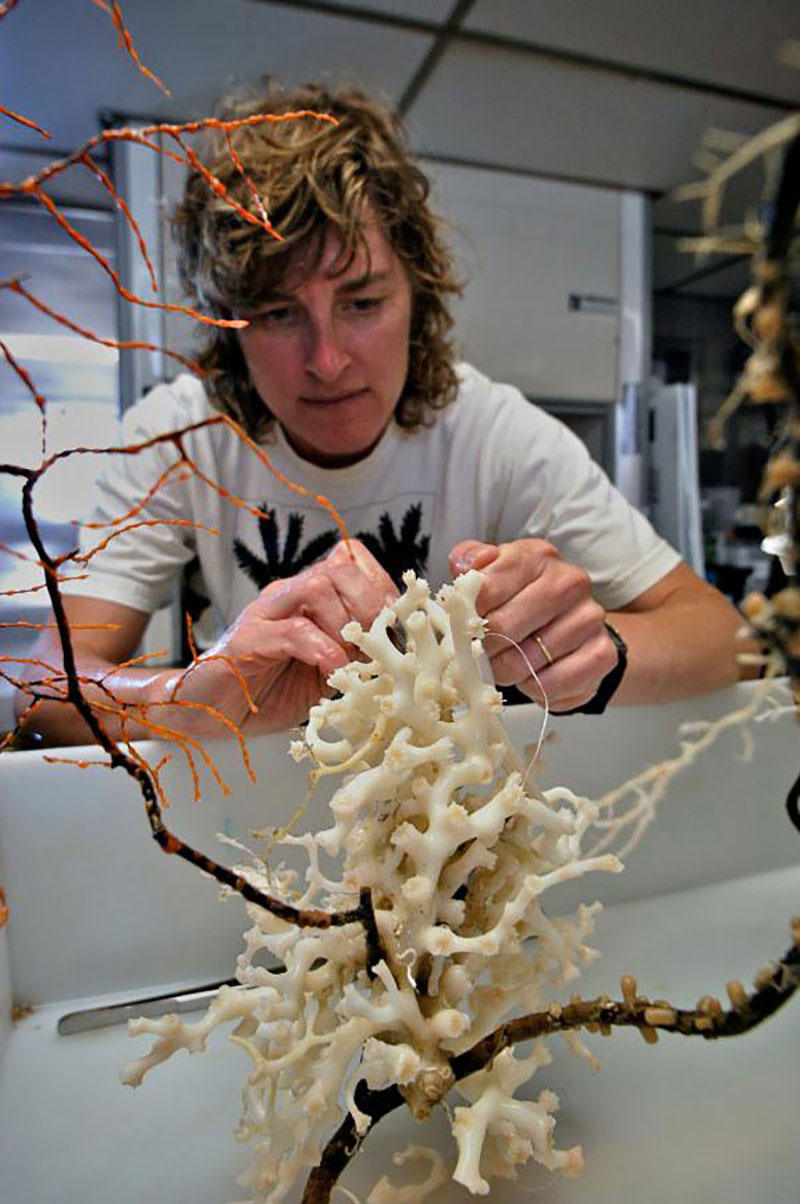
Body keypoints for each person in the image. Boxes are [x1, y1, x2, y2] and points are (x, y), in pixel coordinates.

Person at [19, 83, 752, 746]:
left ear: (418, 295)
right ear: (229, 326)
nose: (328, 360)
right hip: (250, 808)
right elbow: (35, 687)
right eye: (278, 314)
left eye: (362, 303)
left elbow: (726, 639)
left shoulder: (495, 433)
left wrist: (602, 653)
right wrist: (183, 698)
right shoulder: (178, 435)